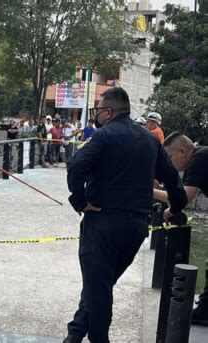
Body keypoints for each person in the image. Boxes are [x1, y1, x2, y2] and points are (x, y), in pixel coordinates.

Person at [64, 88, 187, 343]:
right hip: (136, 228)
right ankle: (75, 333)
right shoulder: (150, 140)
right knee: (100, 284)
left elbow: (76, 164)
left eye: (98, 110)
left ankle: (96, 338)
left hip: (102, 224)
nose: (96, 115)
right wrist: (175, 207)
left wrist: (79, 201)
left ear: (108, 112)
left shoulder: (104, 136)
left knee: (99, 290)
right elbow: (172, 178)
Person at [153, 132, 208, 326]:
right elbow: (179, 199)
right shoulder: (201, 155)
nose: (169, 163)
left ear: (183, 151)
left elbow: (184, 197)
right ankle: (205, 309)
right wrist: (174, 208)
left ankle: (204, 311)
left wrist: (148, 190)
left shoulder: (199, 159)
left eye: (170, 157)